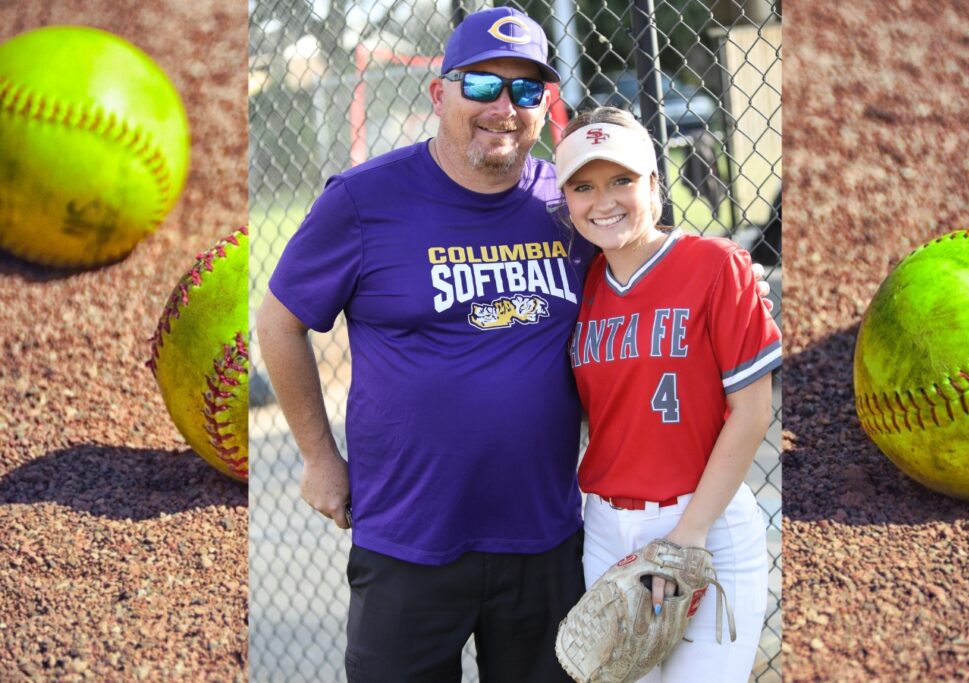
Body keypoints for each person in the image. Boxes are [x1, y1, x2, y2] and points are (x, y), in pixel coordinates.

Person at [256, 7, 772, 681]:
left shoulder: (567, 205)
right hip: (409, 537)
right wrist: (319, 457)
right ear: (438, 92)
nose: (504, 107)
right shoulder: (364, 200)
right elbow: (279, 322)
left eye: (527, 89)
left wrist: (736, 281)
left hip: (543, 539)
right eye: (481, 85)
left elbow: (643, 267)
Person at [554, 107, 781, 682]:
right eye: (584, 186)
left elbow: (753, 412)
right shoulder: (579, 287)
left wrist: (689, 535)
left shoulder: (716, 265)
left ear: (654, 183)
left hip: (704, 523)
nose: (604, 200)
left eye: (621, 180)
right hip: (607, 530)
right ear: (567, 200)